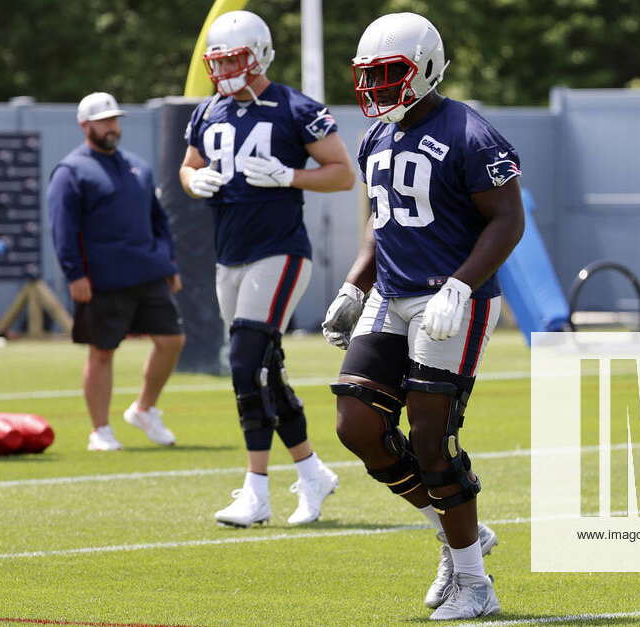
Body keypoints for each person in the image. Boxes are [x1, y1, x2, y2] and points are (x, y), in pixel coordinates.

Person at [322, 12, 525, 621]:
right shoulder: (374, 137)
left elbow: (508, 219)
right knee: (356, 424)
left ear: (428, 69)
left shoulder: (469, 132)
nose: (378, 88)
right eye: (370, 76)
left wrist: (462, 286)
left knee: (431, 438)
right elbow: (382, 220)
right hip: (391, 293)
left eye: (391, 74)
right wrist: (354, 285)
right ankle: (456, 530)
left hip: (449, 300)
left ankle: (475, 584)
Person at [178, 10, 354, 527]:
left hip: (279, 251)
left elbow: (343, 174)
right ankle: (312, 472)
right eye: (219, 60)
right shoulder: (207, 111)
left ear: (259, 55)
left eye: (235, 58)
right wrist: (193, 183)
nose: (226, 69)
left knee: (243, 362)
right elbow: (187, 166)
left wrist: (288, 176)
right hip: (228, 255)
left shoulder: (295, 108)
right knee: (265, 369)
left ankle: (256, 490)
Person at [49, 91, 185, 452]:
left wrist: (168, 264)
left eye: (115, 119)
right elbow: (63, 228)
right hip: (102, 280)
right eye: (104, 120)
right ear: (85, 125)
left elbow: (159, 221)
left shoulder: (137, 167)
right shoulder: (71, 171)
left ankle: (143, 409)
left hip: (149, 272)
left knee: (172, 341)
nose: (112, 126)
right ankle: (100, 431)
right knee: (102, 352)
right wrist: (74, 274)